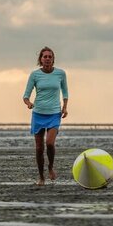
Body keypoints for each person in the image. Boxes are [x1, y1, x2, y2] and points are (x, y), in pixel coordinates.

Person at [23, 46, 68, 186]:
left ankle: (50, 167)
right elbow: (25, 96)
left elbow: (65, 92)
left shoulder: (60, 73)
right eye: (45, 57)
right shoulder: (35, 75)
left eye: (50, 57)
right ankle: (41, 177)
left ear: (53, 59)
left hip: (54, 113)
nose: (47, 59)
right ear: (41, 59)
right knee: (39, 148)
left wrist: (65, 107)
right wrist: (29, 103)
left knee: (49, 143)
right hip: (38, 114)